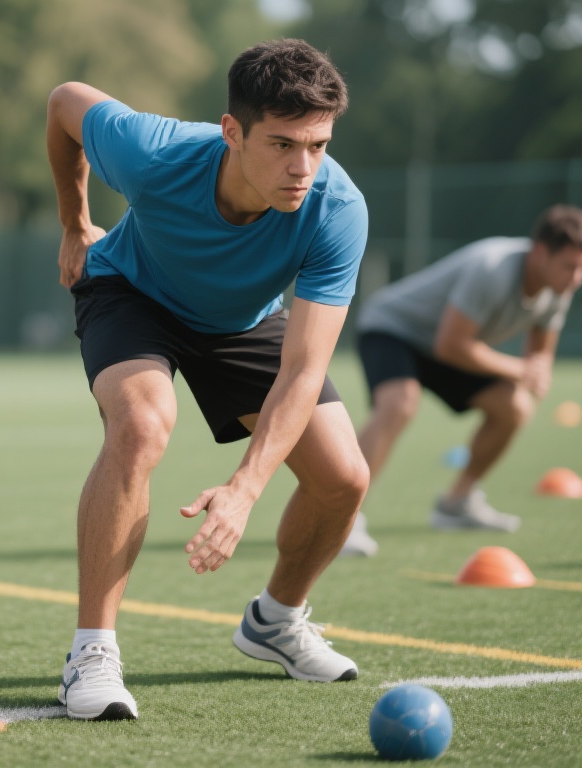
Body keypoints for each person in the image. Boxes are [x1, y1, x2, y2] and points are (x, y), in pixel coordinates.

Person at [46, 38, 370, 721]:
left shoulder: (337, 208)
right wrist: (75, 222)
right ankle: (91, 652)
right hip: (132, 293)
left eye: (317, 145)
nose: (302, 167)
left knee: (344, 478)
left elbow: (304, 369)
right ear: (232, 132)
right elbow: (64, 102)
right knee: (140, 425)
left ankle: (275, 622)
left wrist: (245, 488)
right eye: (282, 144)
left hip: (241, 321)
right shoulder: (153, 154)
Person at [342, 204, 582, 557]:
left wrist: (538, 372)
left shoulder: (558, 288)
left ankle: (457, 504)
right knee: (400, 403)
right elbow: (451, 344)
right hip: (394, 329)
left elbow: (539, 355)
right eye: (570, 267)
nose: (577, 278)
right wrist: (520, 370)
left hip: (446, 347)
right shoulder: (493, 268)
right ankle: (341, 518)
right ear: (541, 253)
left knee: (514, 406)